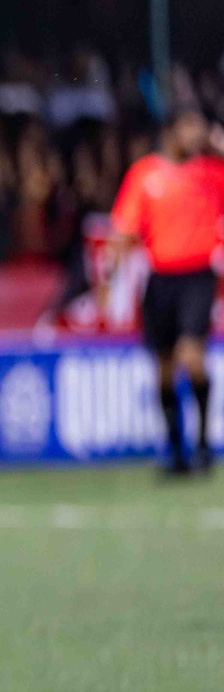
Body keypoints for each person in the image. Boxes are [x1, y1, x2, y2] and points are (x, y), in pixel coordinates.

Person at [108, 108, 224, 474]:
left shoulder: (211, 171)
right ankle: (176, 452)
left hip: (198, 276)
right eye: (189, 125)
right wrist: (107, 276)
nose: (196, 133)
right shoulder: (145, 174)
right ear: (171, 131)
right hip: (160, 280)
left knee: (191, 356)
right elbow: (125, 229)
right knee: (162, 368)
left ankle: (204, 444)